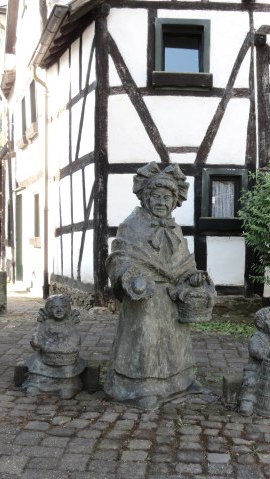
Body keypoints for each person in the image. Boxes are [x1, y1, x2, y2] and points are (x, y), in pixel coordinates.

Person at [104, 162, 215, 410]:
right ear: (146, 198)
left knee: (176, 341)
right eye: (156, 196)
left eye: (168, 197)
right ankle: (143, 388)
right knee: (147, 339)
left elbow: (185, 264)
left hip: (173, 298)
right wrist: (131, 278)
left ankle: (182, 382)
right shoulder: (131, 225)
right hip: (145, 298)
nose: (162, 202)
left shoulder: (175, 228)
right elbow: (119, 257)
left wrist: (192, 277)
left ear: (175, 201)